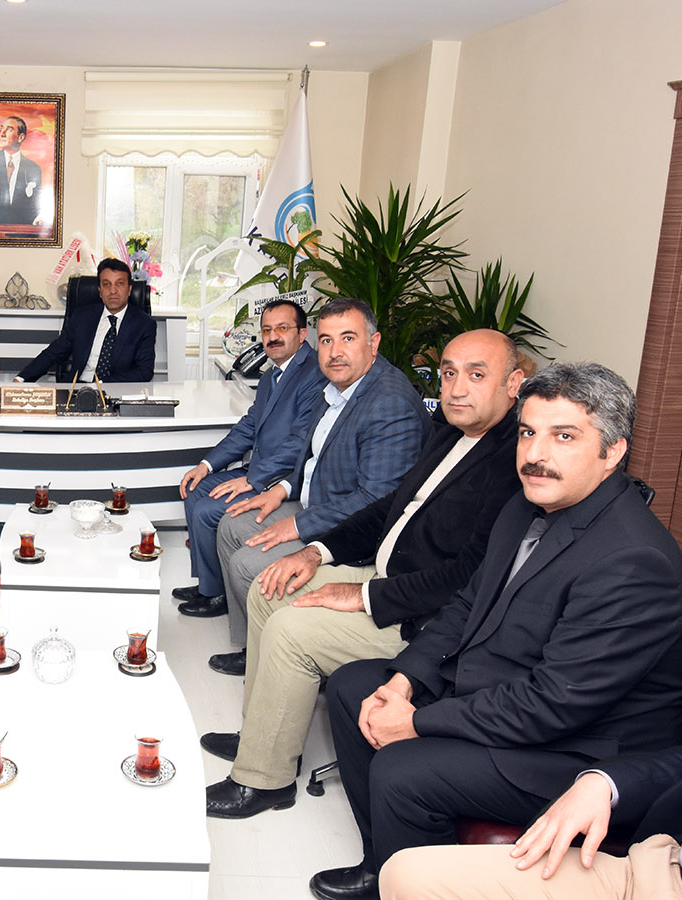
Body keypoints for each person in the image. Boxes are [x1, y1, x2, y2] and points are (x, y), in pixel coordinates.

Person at [310, 361, 682, 900]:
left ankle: (412, 880)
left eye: (564, 436)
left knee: (403, 768)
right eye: (527, 432)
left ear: (612, 452)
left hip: (580, 752)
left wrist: (417, 721)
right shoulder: (524, 504)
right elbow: (467, 604)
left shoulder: (633, 559)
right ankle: (387, 867)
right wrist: (404, 681)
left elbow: (553, 704)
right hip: (509, 688)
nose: (536, 454)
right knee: (356, 686)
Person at [200, 329, 525, 818]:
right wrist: (316, 552)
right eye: (449, 373)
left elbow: (468, 579)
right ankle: (262, 738)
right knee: (272, 586)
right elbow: (390, 508)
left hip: (423, 616)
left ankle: (264, 782)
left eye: (476, 375)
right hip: (385, 572)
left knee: (290, 630)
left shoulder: (513, 464)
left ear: (513, 383)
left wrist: (364, 595)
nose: (457, 389)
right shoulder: (451, 433)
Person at [210, 297, 432, 654]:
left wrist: (298, 525)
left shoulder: (390, 404)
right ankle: (250, 646)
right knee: (231, 525)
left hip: (351, 532)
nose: (334, 352)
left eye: (348, 338)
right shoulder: (336, 385)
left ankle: (272, 653)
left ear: (373, 343)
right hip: (315, 500)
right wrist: (282, 488)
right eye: (327, 340)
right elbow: (311, 455)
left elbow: (375, 501)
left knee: (247, 564)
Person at [379, 687, 682, 900]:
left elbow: (555, 696)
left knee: (405, 771)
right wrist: (605, 783)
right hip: (660, 871)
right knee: (406, 874)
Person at [174, 299, 327, 638]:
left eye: (282, 328)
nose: (273, 337)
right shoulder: (273, 374)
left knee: (208, 510)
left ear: (302, 334)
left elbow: (300, 444)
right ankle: (211, 587)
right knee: (195, 488)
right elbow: (248, 427)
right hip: (259, 469)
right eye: (267, 330)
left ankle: (218, 596)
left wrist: (252, 479)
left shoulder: (313, 375)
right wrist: (206, 465)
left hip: (283, 479)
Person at [16, 258, 157, 383]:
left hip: (115, 390)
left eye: (119, 284)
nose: (113, 291)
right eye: (106, 284)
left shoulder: (144, 325)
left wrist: (99, 384)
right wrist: (21, 378)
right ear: (100, 290)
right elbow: (53, 353)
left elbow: (144, 371)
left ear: (129, 289)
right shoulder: (82, 317)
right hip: (76, 388)